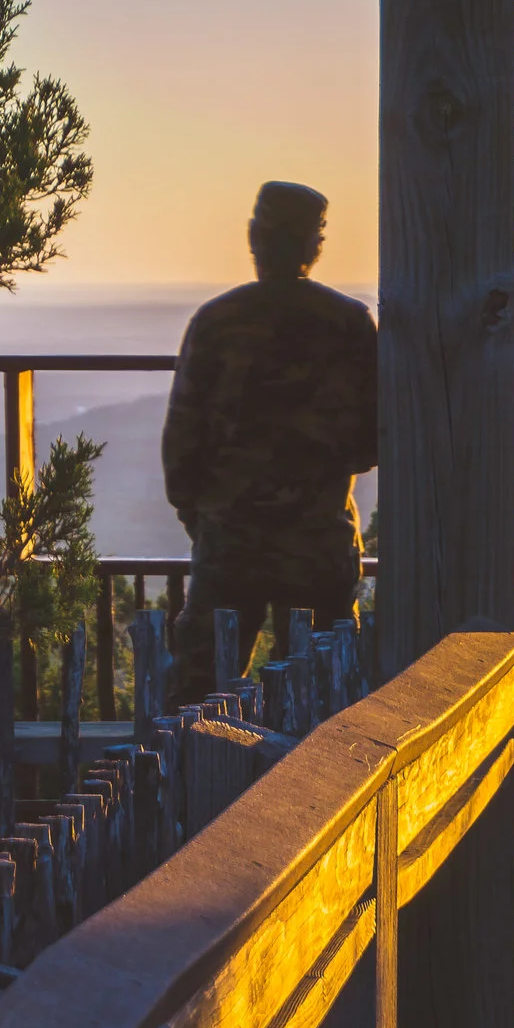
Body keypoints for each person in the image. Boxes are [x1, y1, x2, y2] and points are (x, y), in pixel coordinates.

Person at [161, 181, 377, 706]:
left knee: (200, 696)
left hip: (229, 542)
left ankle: (198, 786)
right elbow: (371, 443)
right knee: (320, 698)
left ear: (254, 238)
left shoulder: (217, 321)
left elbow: (182, 440)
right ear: (315, 247)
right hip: (317, 541)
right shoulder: (348, 325)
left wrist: (205, 516)